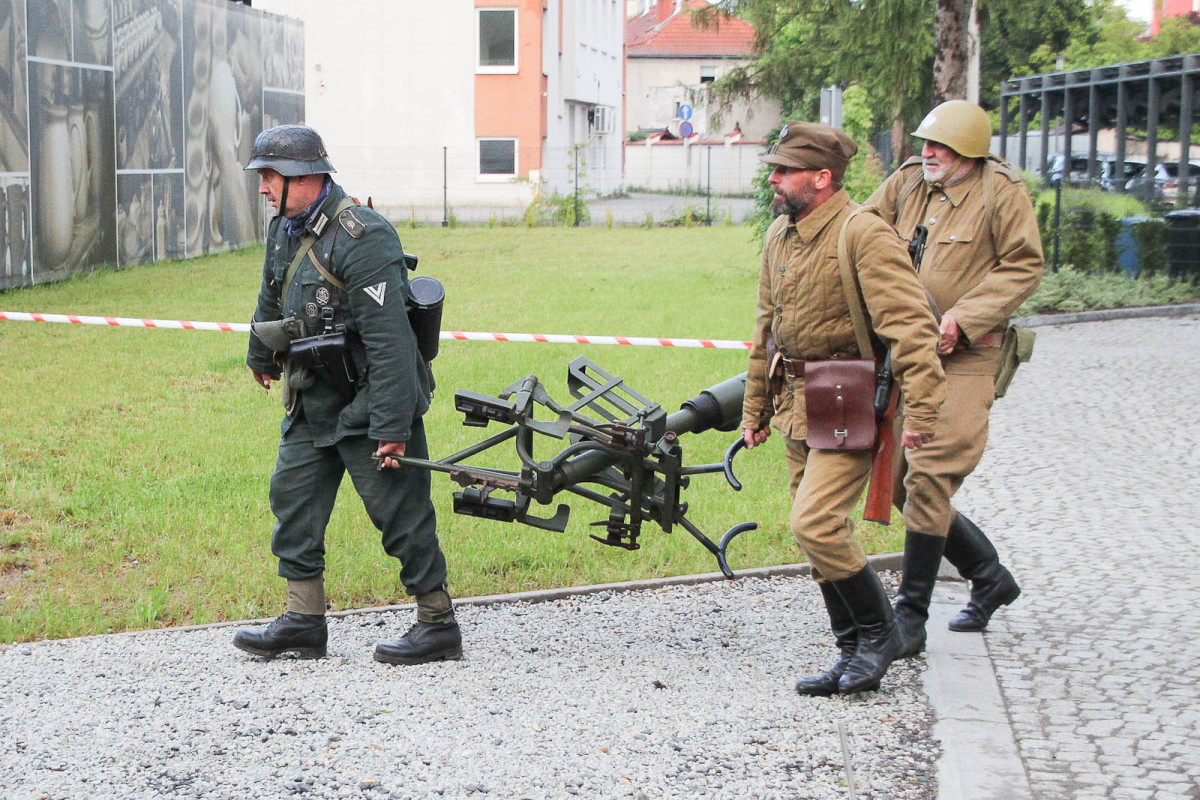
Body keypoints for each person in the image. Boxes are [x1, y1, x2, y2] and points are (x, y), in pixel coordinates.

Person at [232, 124, 462, 666]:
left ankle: (437, 622)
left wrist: (390, 428)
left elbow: (389, 343)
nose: (263, 187)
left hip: (367, 401)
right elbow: (272, 297)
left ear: (304, 177)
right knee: (293, 501)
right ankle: (303, 620)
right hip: (311, 399)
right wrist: (261, 357)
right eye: (263, 176)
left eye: (270, 176)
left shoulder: (365, 236)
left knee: (401, 514)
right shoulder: (284, 229)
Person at [741, 121, 945, 696]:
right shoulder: (780, 236)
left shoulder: (863, 234)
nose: (775, 180)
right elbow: (766, 331)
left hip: (851, 400)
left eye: (785, 171)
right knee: (812, 536)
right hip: (797, 402)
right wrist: (755, 408)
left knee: (816, 522)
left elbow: (911, 330)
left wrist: (923, 416)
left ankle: (879, 636)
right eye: (775, 169)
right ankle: (850, 649)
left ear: (823, 178)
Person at [863, 100, 1044, 657]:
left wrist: (961, 320)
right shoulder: (906, 183)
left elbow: (1023, 265)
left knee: (932, 472)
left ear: (970, 152)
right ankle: (988, 576)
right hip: (907, 351)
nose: (928, 154)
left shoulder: (1001, 192)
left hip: (968, 356)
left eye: (940, 147)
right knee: (898, 483)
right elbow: (862, 228)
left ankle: (909, 616)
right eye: (925, 144)